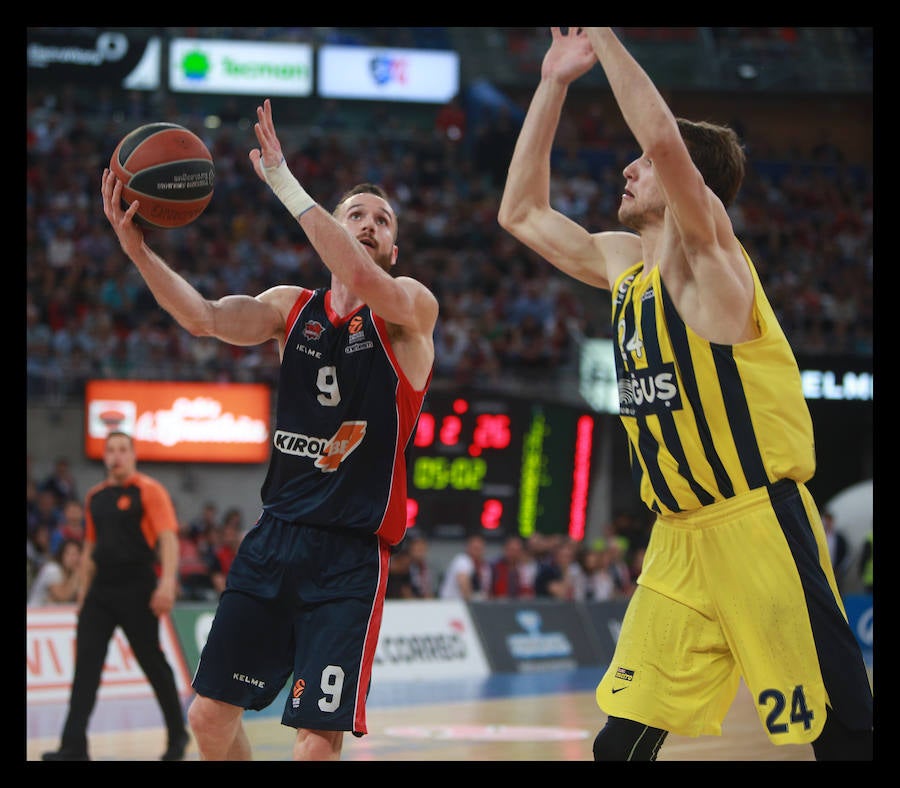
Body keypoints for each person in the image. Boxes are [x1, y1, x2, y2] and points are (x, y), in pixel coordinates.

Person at [498, 27, 872, 761]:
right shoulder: (624, 267)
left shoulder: (712, 263)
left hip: (759, 527)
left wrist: (602, 38)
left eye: (641, 162)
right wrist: (553, 83)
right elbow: (521, 215)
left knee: (842, 737)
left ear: (682, 182)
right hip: (676, 539)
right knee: (619, 745)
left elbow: (666, 139)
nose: (628, 170)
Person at [100, 97, 438, 761]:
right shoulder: (291, 310)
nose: (368, 226)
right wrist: (136, 248)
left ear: (394, 247)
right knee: (207, 721)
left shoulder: (410, 312)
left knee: (315, 744)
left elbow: (365, 278)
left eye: (381, 221)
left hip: (350, 555)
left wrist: (284, 180)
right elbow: (201, 316)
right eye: (356, 215)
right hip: (275, 540)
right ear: (331, 231)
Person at [42, 432, 188, 761]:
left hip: (138, 588)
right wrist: (82, 593)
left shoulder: (149, 490)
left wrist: (166, 584)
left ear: (133, 455)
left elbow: (168, 539)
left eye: (122, 450)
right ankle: (73, 746)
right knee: (86, 669)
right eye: (111, 451)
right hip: (101, 592)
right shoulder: (95, 497)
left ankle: (177, 736)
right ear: (105, 457)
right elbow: (90, 549)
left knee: (153, 665)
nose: (116, 456)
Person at [27, 537, 82, 606]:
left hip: (54, 614)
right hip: (35, 613)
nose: (73, 558)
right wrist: (77, 574)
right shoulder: (52, 569)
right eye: (69, 554)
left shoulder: (73, 573)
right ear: (61, 554)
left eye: (76, 554)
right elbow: (62, 596)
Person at [437, 533, 492, 600]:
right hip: (451, 603)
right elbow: (463, 584)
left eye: (479, 548)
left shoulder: (484, 566)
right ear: (468, 547)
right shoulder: (462, 560)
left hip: (466, 604)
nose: (477, 552)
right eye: (475, 548)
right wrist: (474, 602)